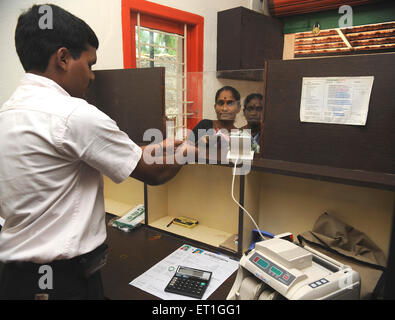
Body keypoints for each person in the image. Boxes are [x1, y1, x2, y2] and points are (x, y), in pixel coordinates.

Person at [0, 4, 194, 300]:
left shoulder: (8, 112)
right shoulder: (75, 114)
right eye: (89, 64)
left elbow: (73, 156)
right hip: (61, 281)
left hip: (16, 279)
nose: (91, 76)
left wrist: (156, 148)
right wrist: (191, 150)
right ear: (63, 58)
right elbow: (155, 173)